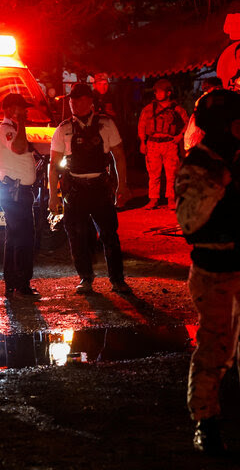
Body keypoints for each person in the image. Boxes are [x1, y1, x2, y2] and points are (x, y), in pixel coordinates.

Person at [174, 89, 240, 455]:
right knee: (215, 348)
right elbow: (190, 224)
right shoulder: (200, 164)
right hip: (215, 270)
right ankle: (205, 421)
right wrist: (222, 181)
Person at [48, 82, 131, 294]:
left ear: (90, 101)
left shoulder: (106, 124)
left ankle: (117, 280)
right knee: (76, 235)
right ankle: (85, 278)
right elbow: (53, 164)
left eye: (79, 99)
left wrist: (123, 186)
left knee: (109, 235)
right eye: (72, 99)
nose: (74, 103)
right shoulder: (63, 128)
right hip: (75, 189)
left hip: (100, 187)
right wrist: (53, 195)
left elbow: (119, 156)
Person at [0, 93, 40, 298]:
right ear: (11, 110)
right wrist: (21, 123)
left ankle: (12, 284)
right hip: (15, 192)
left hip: (16, 191)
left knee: (14, 238)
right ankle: (21, 285)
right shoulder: (7, 131)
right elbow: (19, 149)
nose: (26, 112)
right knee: (23, 238)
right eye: (22, 108)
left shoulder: (11, 130)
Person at [138, 78, 189, 209]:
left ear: (168, 93)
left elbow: (188, 124)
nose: (157, 94)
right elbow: (142, 125)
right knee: (153, 174)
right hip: (153, 143)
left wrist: (180, 136)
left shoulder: (177, 110)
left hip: (169, 144)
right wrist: (142, 142)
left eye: (160, 91)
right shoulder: (149, 109)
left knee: (171, 174)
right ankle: (153, 199)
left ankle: (171, 199)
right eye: (156, 92)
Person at [183, 77, 223, 153]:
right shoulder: (203, 102)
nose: (206, 91)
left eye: (207, 88)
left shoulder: (224, 100)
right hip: (202, 142)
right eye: (205, 88)